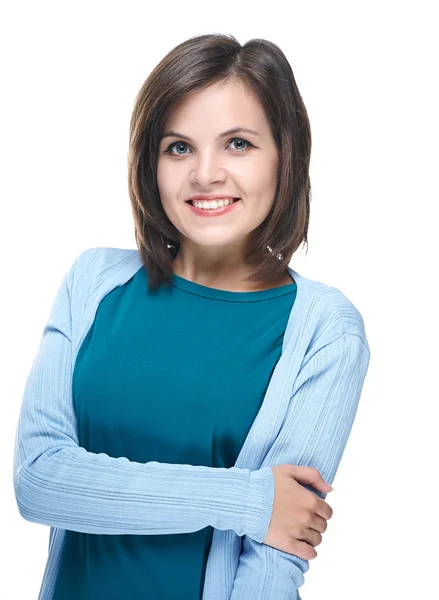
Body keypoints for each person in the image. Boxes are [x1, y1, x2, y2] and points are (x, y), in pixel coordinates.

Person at [13, 33, 371, 600]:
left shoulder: (325, 328)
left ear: (285, 153)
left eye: (238, 144)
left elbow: (275, 560)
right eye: (178, 147)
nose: (205, 175)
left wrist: (268, 513)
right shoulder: (94, 282)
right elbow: (39, 480)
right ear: (149, 161)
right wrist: (250, 499)